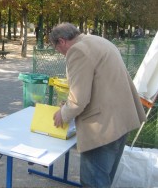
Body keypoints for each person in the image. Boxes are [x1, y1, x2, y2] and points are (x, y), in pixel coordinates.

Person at [49, 22, 146, 187]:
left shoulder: (77, 51)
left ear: (62, 41)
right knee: (104, 178)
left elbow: (79, 100)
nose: (60, 53)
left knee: (93, 182)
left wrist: (63, 114)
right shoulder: (97, 41)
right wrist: (69, 103)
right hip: (121, 120)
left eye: (57, 49)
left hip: (103, 128)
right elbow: (99, 84)